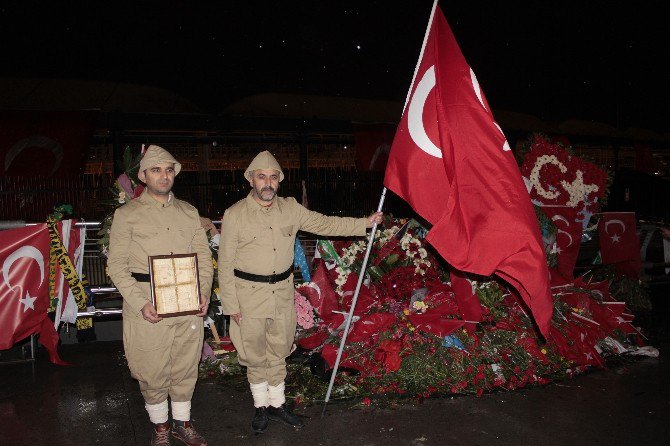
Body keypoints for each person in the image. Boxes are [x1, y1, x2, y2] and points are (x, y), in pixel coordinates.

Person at [218, 150, 383, 433]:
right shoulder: (235, 215)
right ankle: (260, 407)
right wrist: (231, 303)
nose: (267, 183)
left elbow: (324, 223)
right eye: (261, 177)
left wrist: (364, 224)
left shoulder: (291, 209)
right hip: (248, 296)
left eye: (273, 177)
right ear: (251, 180)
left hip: (281, 293)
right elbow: (225, 263)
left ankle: (277, 405)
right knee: (255, 354)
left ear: (279, 181)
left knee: (279, 350)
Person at [108, 145, 213, 446]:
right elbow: (115, 266)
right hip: (147, 303)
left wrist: (203, 292)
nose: (163, 175)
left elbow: (204, 259)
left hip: (187, 303)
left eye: (169, 170)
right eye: (156, 169)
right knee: (151, 368)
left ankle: (183, 423)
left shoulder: (188, 212)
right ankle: (160, 428)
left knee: (185, 365)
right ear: (142, 176)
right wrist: (140, 303)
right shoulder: (127, 215)